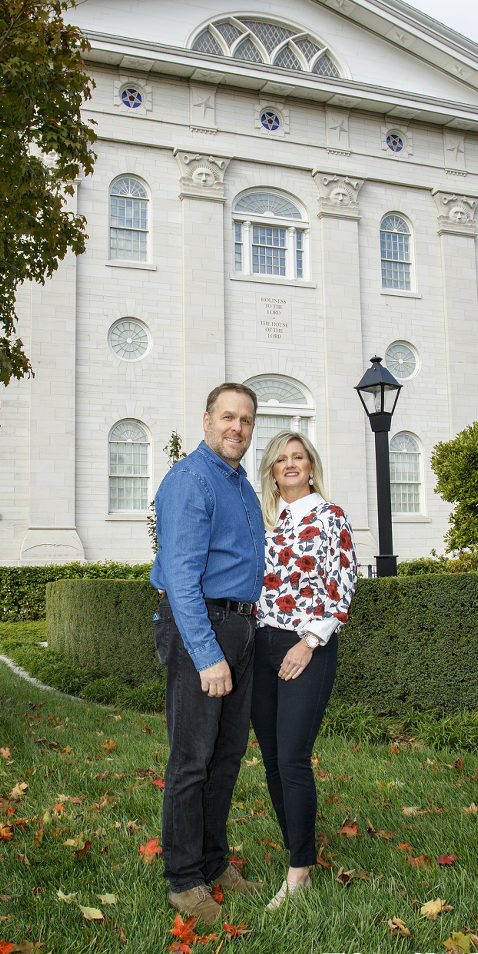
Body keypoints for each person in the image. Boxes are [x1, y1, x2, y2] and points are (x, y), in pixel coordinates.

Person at [150, 383, 266, 923]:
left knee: (226, 757)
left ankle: (214, 861)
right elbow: (179, 578)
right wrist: (206, 654)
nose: (236, 428)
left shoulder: (241, 486)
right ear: (206, 421)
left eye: (245, 420)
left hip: (241, 627)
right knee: (191, 760)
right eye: (227, 417)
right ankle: (183, 879)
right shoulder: (190, 479)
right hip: (202, 627)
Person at [251, 431, 358, 911]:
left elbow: (343, 585)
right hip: (260, 645)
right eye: (280, 459)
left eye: (298, 457)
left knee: (293, 757)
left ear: (310, 466)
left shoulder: (330, 517)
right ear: (272, 471)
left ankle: (299, 872)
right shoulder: (264, 522)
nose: (290, 465)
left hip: (306, 646)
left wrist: (309, 640)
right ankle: (298, 849)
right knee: (272, 759)